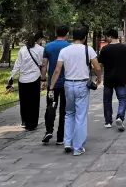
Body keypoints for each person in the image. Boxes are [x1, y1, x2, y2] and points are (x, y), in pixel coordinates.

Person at [49, 26, 101, 156]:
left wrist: (51, 86)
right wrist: (98, 79)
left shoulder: (65, 51)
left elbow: (57, 70)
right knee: (80, 116)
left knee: (69, 114)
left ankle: (67, 142)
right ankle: (78, 147)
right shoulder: (88, 50)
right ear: (84, 37)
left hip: (68, 85)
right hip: (82, 85)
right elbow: (97, 67)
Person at [8, 31, 44, 131]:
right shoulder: (41, 50)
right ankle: (32, 123)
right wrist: (44, 77)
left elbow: (17, 64)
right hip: (34, 78)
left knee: (24, 102)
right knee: (34, 102)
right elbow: (43, 63)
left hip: (22, 79)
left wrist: (11, 77)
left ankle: (24, 121)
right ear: (39, 39)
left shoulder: (22, 49)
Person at [41, 26, 71, 145]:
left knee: (51, 106)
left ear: (55, 33)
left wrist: (43, 79)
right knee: (64, 110)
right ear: (67, 34)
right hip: (66, 83)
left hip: (52, 84)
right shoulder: (69, 47)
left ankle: (49, 130)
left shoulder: (48, 47)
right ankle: (60, 137)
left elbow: (44, 64)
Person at [98, 28, 126, 131]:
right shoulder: (124, 48)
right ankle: (120, 116)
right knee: (122, 99)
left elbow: (100, 64)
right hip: (120, 77)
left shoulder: (105, 49)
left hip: (108, 78)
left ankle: (108, 121)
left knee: (107, 100)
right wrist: (122, 65)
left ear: (109, 37)